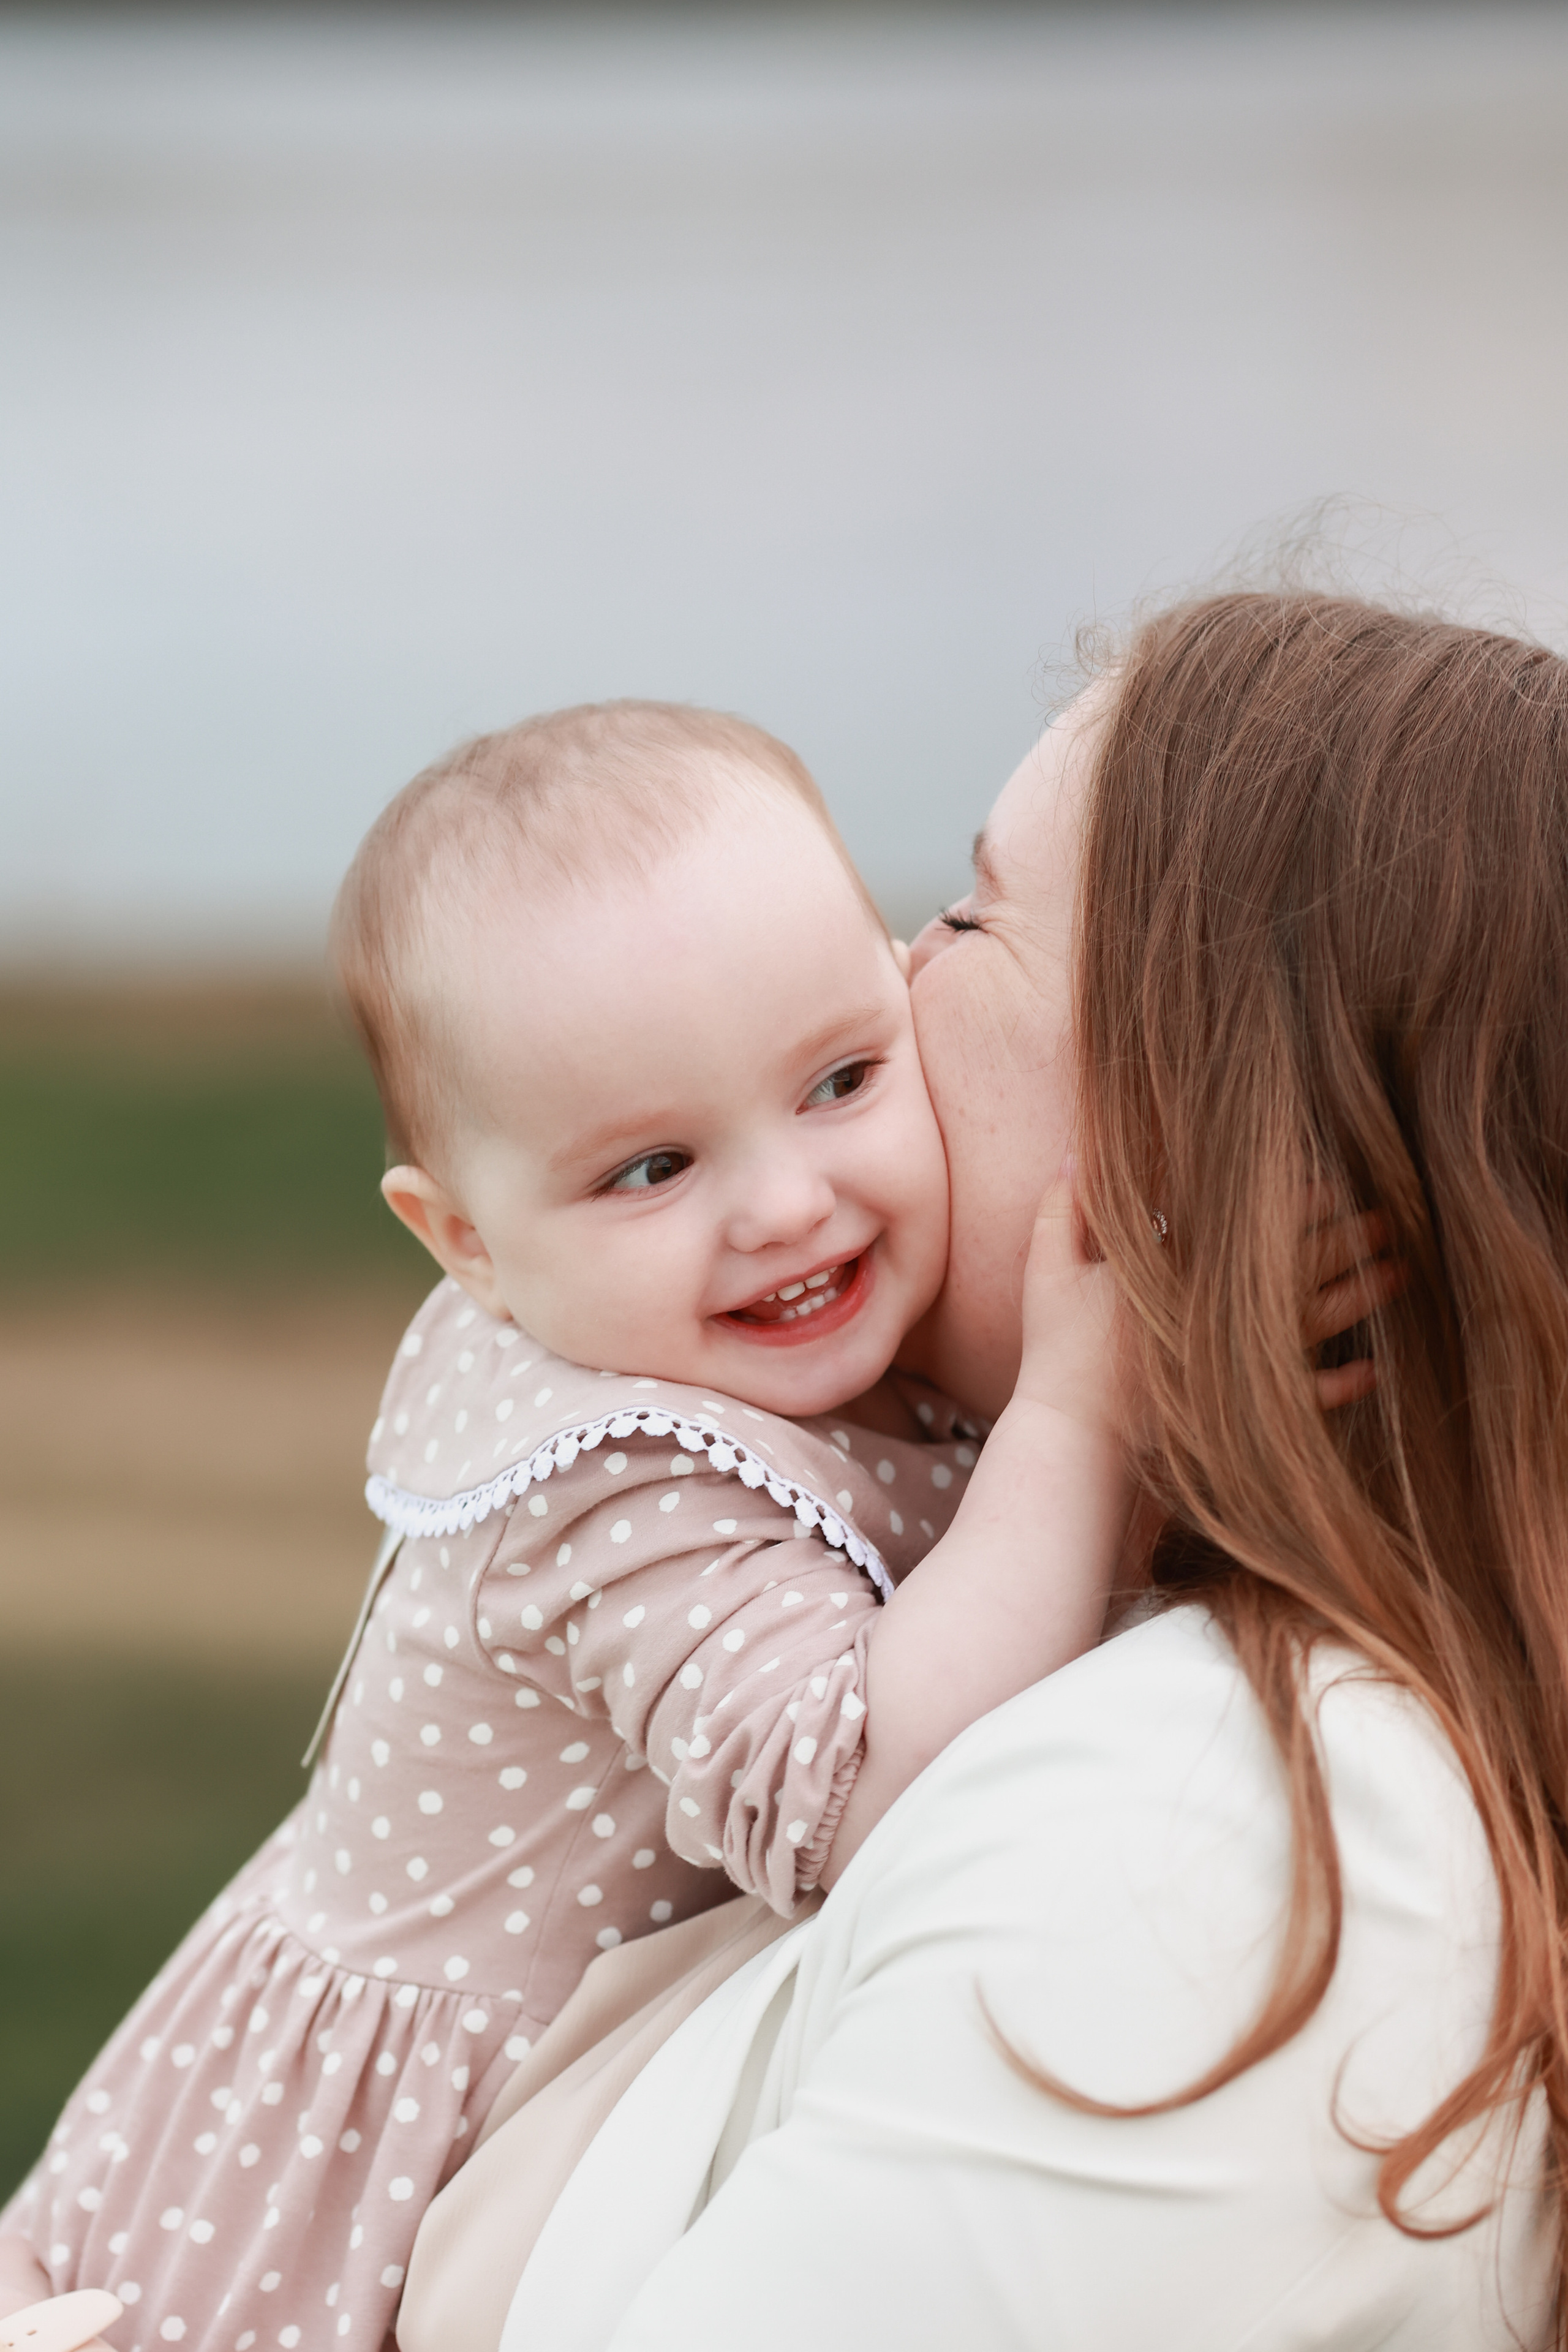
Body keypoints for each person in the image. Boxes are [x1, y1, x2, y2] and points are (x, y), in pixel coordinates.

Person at [417, 593, 1568, 2351]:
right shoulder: (1116, 1681)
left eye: (971, 914)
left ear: (1213, 1129)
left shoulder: (1221, 1864)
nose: (892, 968)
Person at [1, 701, 1173, 2352]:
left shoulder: (778, 1336)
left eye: (840, 1078)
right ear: (467, 1244)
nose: (783, 1204)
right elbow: (866, 1781)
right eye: (652, 1169)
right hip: (315, 2212)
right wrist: (1078, 1414)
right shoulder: (610, 1483)